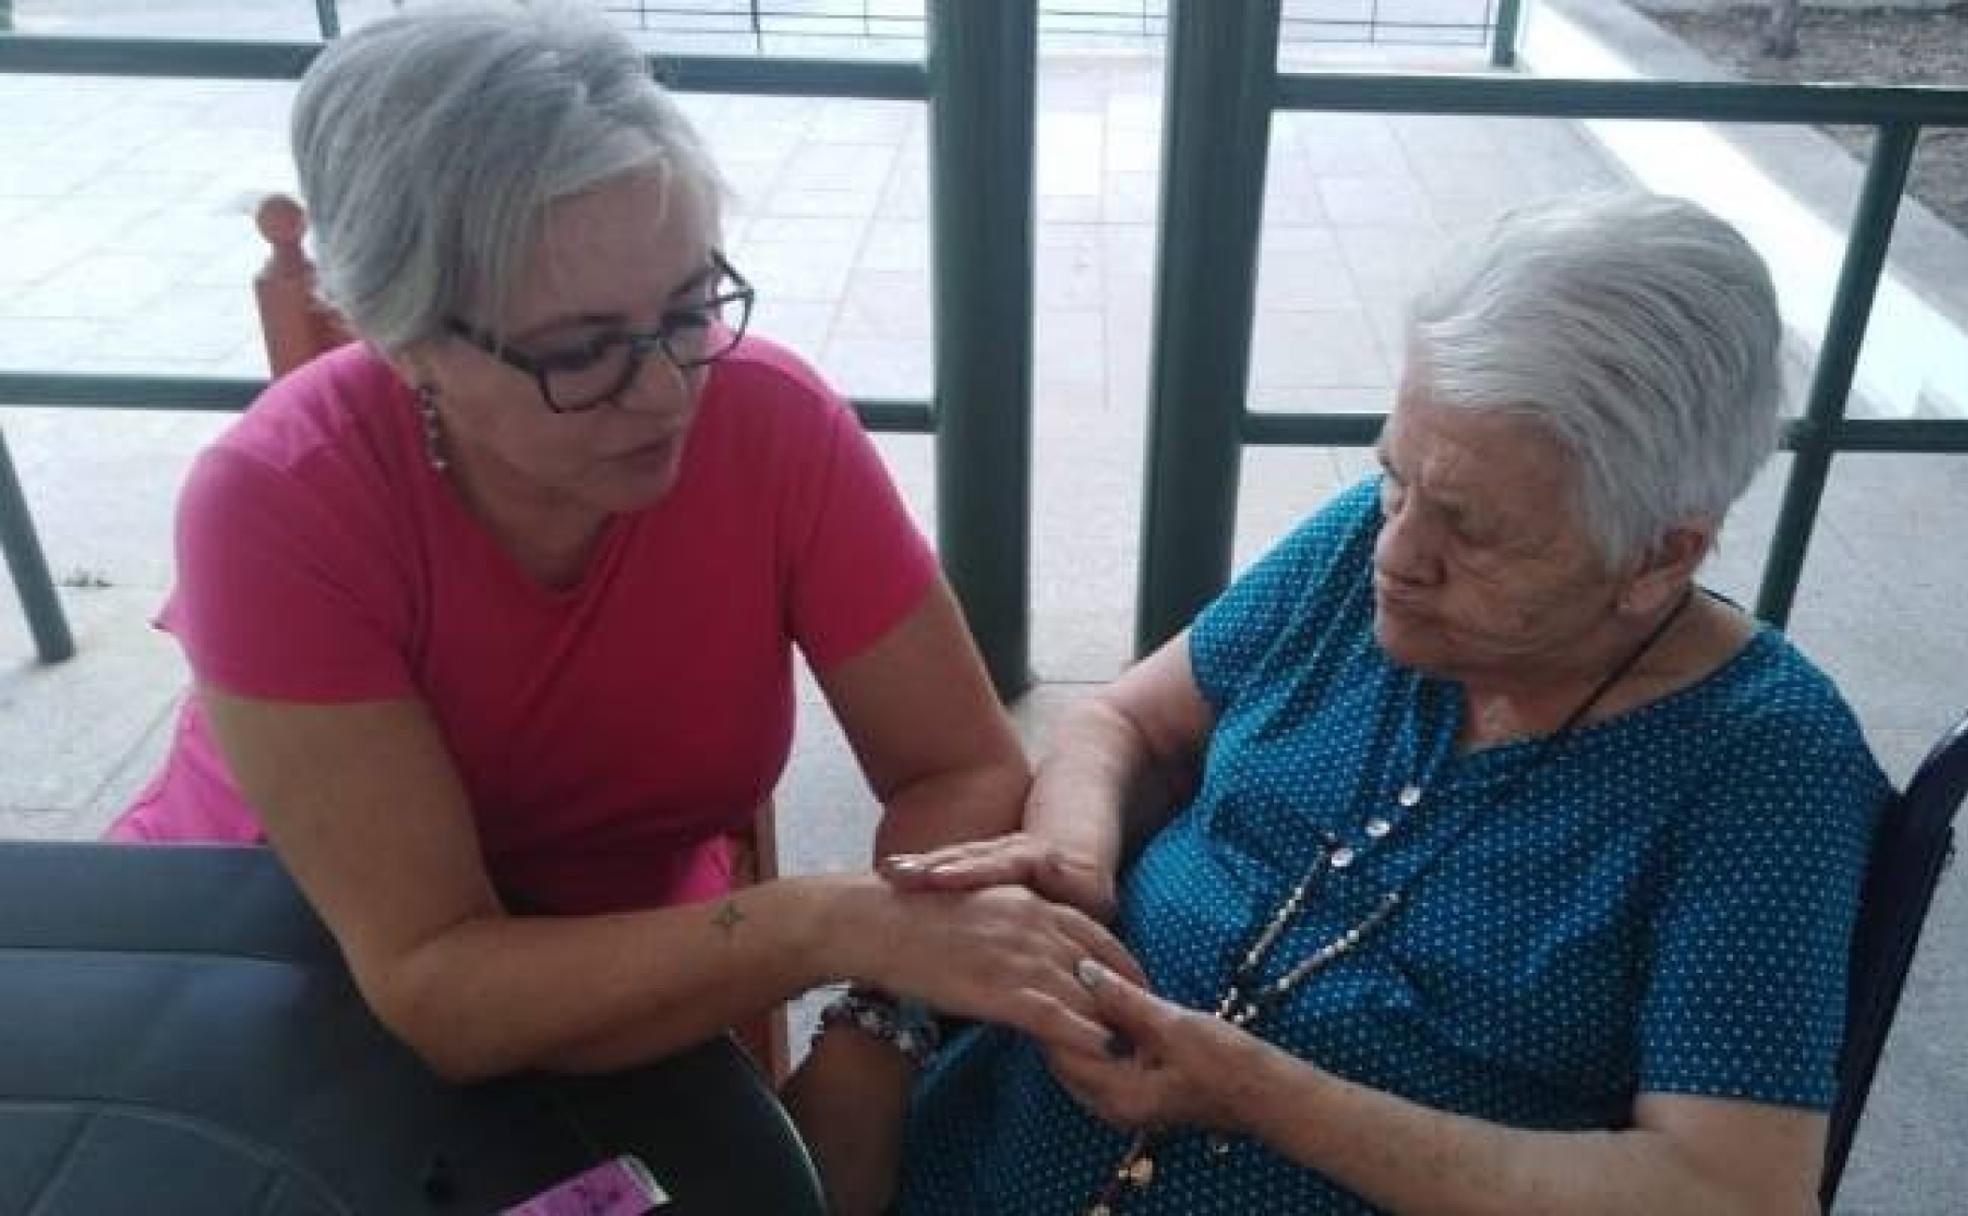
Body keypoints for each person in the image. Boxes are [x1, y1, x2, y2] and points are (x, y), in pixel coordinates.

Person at [106, 0, 1133, 1120]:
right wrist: (824, 921)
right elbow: (437, 981)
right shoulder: (278, 499)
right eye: (580, 351)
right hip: (274, 958)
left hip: (650, 957)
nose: (667, 388)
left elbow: (961, 767)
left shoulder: (771, 422)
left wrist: (869, 1039)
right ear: (404, 343)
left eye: (691, 306)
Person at [865, 193, 1890, 1214]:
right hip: (997, 1148)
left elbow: (1730, 1192)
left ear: (1660, 555)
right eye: (1395, 477)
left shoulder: (1766, 763)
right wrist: (1078, 855)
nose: (1395, 556)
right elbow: (1125, 721)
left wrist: (1264, 1096)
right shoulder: (1366, 539)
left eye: (1471, 530)